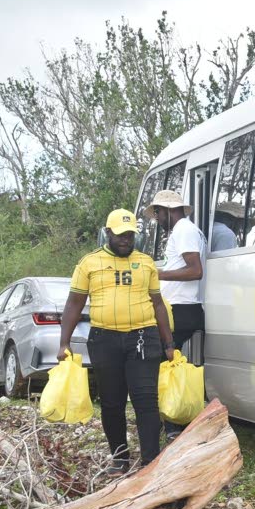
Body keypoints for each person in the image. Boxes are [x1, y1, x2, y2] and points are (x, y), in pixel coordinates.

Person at [57, 209, 175, 473]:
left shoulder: (146, 263)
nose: (126, 240)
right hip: (104, 339)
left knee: (146, 400)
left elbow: (157, 304)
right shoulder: (88, 263)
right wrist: (63, 343)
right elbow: (74, 303)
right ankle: (120, 458)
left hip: (143, 337)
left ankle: (150, 462)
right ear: (107, 233)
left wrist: (168, 343)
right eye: (121, 235)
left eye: (130, 235)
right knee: (112, 402)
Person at [148, 190, 206, 352]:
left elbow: (195, 271)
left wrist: (157, 274)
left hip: (180, 308)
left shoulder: (184, 229)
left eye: (157, 211)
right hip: (180, 308)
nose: (156, 217)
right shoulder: (185, 229)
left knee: (158, 361)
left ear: (169, 209)